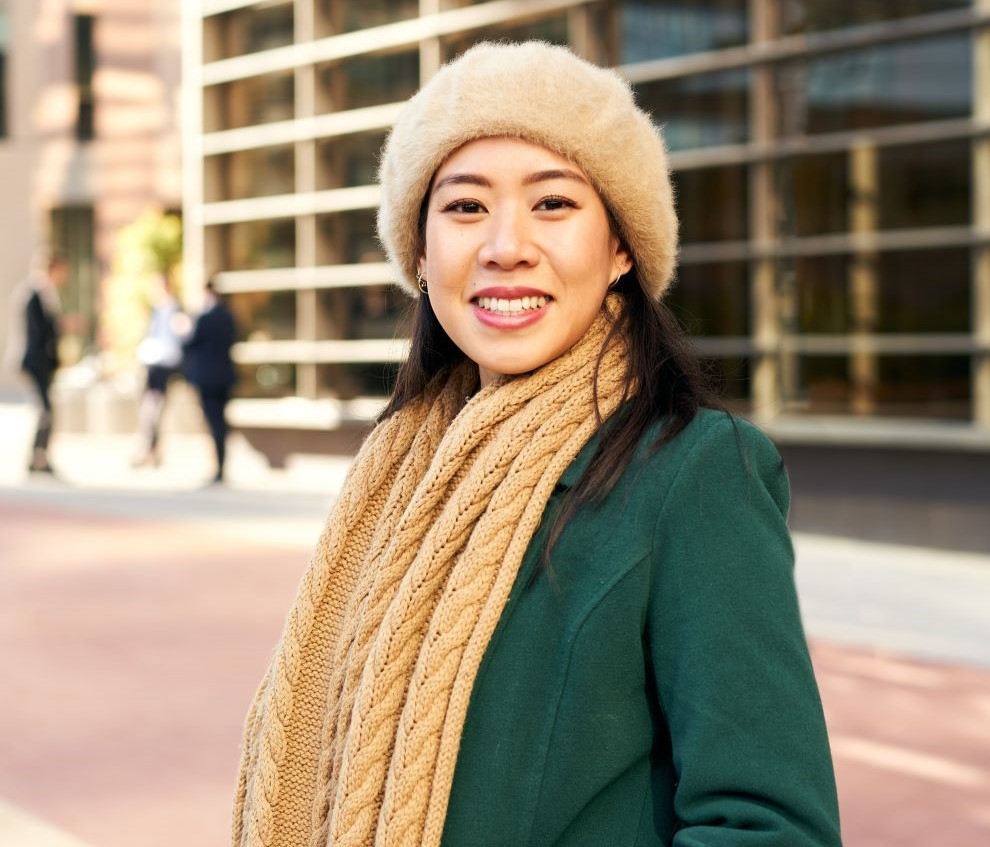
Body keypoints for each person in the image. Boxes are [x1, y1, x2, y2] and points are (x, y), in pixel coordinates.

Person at [232, 42, 842, 847]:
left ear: (621, 248)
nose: (506, 245)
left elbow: (772, 828)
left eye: (553, 203)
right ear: (421, 254)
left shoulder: (695, 472)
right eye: (465, 206)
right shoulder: (393, 485)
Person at [7, 251, 69, 474]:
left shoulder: (44, 294)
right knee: (45, 409)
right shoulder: (33, 295)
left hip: (42, 361)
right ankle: (38, 456)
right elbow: (37, 333)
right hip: (36, 361)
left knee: (45, 409)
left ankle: (39, 455)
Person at [182, 277, 236, 483]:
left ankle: (219, 465)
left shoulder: (203, 318)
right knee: (220, 422)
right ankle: (222, 464)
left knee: (214, 423)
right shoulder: (229, 317)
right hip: (224, 377)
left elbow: (190, 344)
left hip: (207, 378)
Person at [132, 274, 186, 467]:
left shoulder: (176, 310)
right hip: (152, 361)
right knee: (148, 409)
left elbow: (179, 338)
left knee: (154, 408)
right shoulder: (154, 310)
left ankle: (151, 450)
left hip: (166, 363)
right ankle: (148, 449)